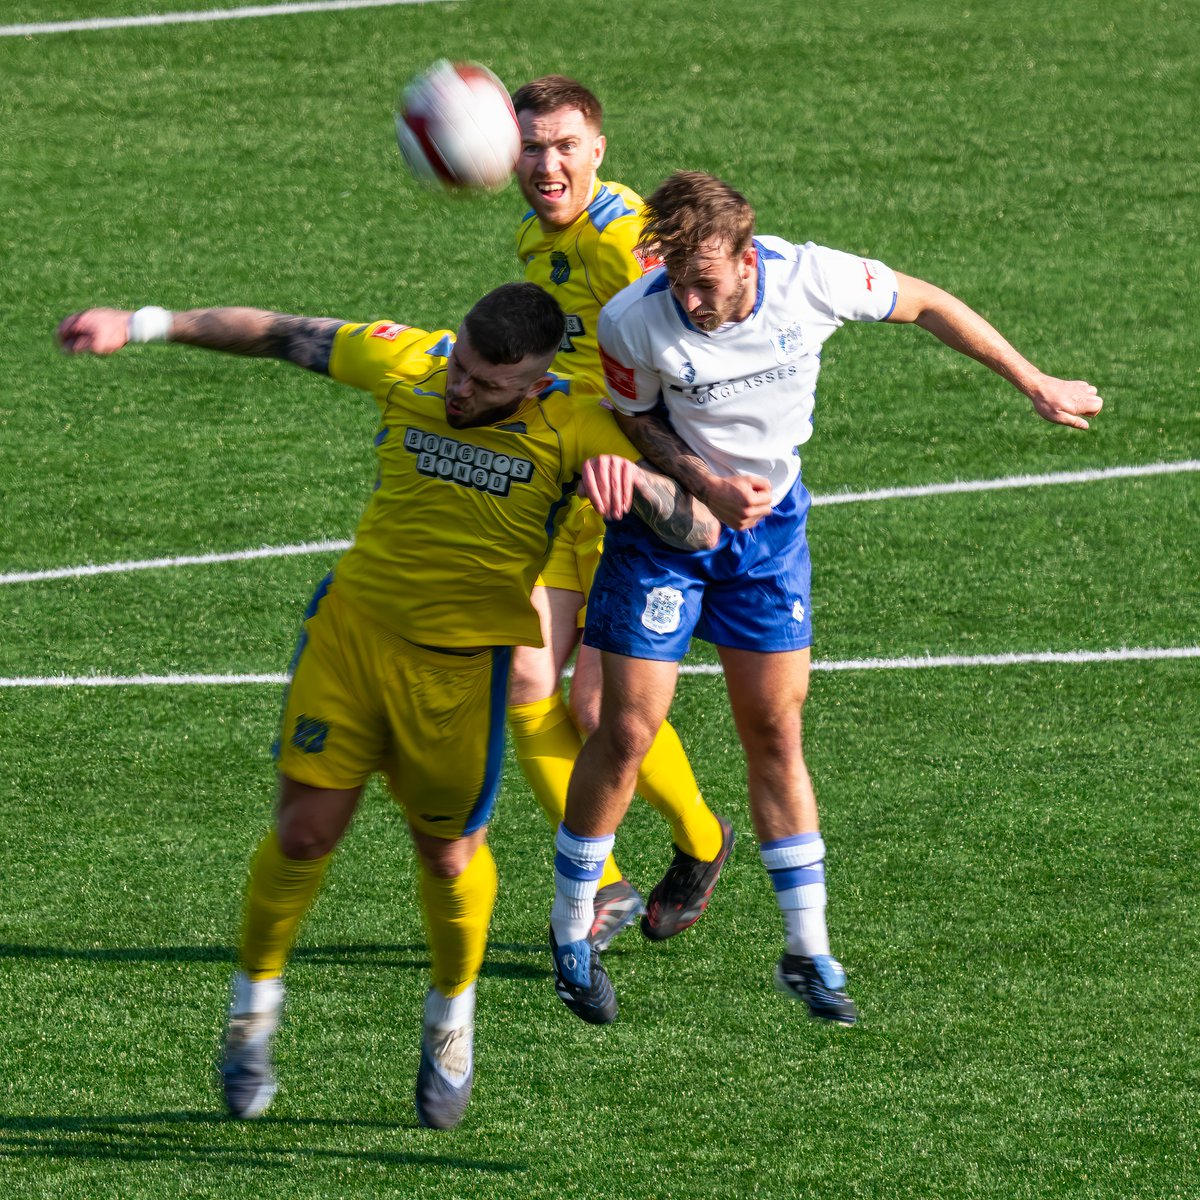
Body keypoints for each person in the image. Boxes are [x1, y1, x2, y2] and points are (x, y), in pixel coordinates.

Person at [56, 284, 719, 1128]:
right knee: (302, 833)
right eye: (462, 367)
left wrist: (641, 489)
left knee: (447, 861)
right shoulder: (413, 360)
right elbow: (281, 331)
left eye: (485, 381)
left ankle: (450, 1017)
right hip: (351, 641)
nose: (459, 387)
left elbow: (700, 528)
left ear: (535, 378)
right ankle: (251, 1012)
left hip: (456, 677)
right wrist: (141, 321)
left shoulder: (580, 424)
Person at [548, 171, 1104, 1027]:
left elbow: (927, 303)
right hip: (668, 529)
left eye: (707, 282)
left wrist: (1034, 381)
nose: (691, 300)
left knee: (774, 728)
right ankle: (569, 931)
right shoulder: (634, 316)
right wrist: (702, 482)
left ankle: (807, 951)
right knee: (623, 730)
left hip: (769, 536)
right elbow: (636, 419)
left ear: (746, 254)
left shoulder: (814, 278)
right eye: (678, 281)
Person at [507, 78, 732, 952]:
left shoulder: (626, 235)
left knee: (601, 713)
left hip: (631, 498)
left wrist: (681, 476)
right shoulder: (537, 235)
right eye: (532, 147)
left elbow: (694, 344)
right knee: (525, 684)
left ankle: (702, 842)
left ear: (598, 150)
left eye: (564, 145)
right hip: (562, 491)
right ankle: (601, 887)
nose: (547, 163)